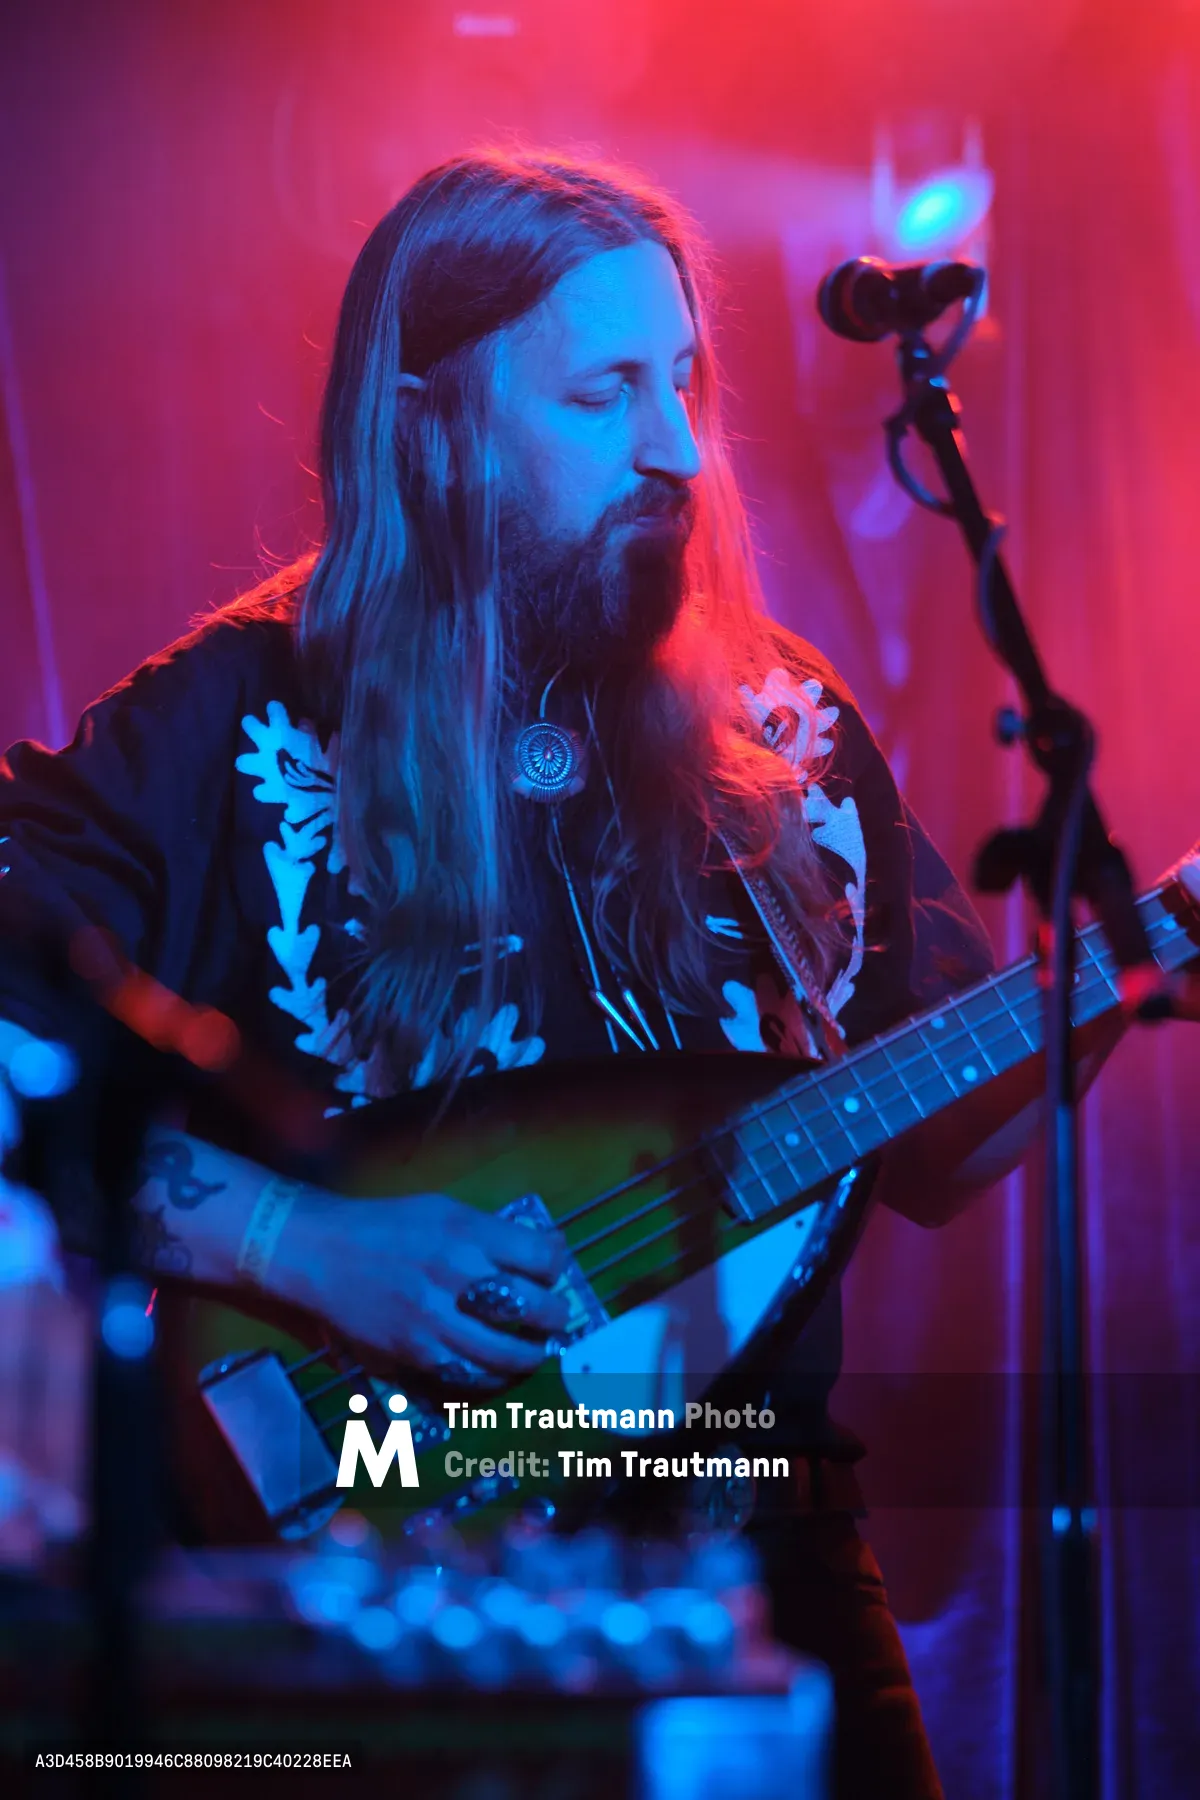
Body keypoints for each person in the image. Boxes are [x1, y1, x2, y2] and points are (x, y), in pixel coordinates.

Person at [0, 149, 1148, 1796]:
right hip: (376, 1577)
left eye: (684, 382)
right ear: (435, 426)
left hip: (760, 1546)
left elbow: (939, 1155)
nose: (676, 446)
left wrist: (1120, 978)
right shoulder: (238, 715)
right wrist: (298, 1241)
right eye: (605, 394)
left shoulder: (786, 736)